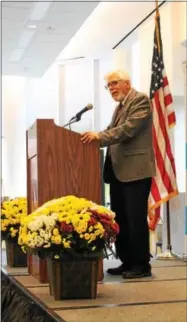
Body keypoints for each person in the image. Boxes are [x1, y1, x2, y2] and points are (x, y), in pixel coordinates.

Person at [81, 70, 155, 279]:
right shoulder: (120, 107)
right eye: (108, 85)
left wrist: (100, 137)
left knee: (135, 218)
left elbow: (128, 129)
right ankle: (127, 261)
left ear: (127, 83)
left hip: (136, 172)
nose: (111, 88)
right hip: (119, 172)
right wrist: (93, 136)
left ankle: (141, 265)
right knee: (120, 218)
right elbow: (112, 130)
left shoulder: (140, 100)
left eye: (114, 83)